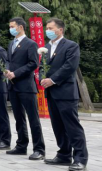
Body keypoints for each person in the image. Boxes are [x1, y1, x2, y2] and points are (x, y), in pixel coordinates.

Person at [41, 18, 88, 171]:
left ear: (60, 30)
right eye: (46, 28)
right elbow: (43, 66)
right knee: (58, 125)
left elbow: (70, 66)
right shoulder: (47, 47)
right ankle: (64, 154)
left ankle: (80, 158)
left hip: (65, 91)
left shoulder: (71, 46)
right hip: (51, 92)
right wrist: (43, 77)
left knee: (72, 126)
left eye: (50, 28)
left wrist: (53, 80)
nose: (47, 30)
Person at [5, 17, 45, 160]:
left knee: (33, 118)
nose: (11, 29)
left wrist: (15, 73)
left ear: (21, 27)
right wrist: (7, 70)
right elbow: (8, 60)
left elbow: (33, 63)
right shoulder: (11, 43)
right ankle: (21, 145)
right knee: (18, 118)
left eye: (12, 26)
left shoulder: (30, 44)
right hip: (13, 86)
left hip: (26, 86)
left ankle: (39, 149)